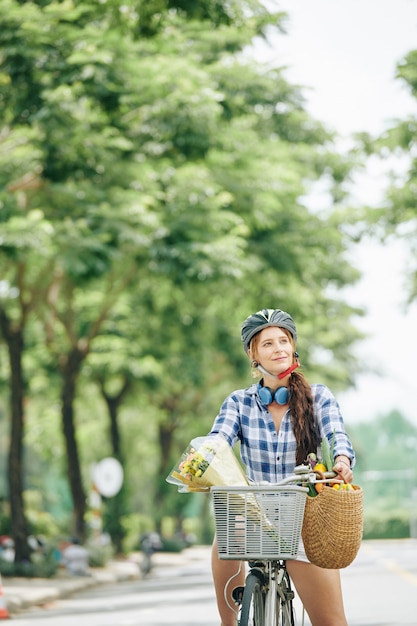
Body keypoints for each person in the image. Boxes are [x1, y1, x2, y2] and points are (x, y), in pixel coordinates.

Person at [209, 308, 355, 626]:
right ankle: (229, 623)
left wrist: (342, 460)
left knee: (332, 622)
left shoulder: (319, 398)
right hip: (254, 514)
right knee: (224, 538)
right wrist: (202, 463)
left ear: (293, 347)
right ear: (253, 353)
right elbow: (217, 442)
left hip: (303, 519)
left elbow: (337, 435)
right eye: (267, 344)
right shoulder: (238, 403)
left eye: (283, 341)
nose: (278, 349)